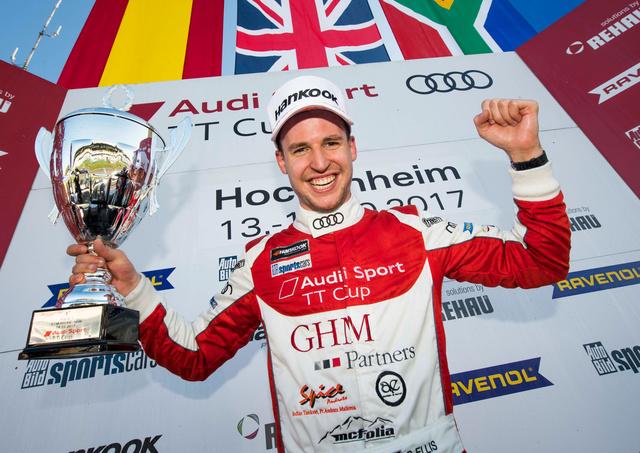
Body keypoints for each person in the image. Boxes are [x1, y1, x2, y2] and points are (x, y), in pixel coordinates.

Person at [68, 75, 570, 452]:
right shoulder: (261, 261)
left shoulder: (416, 233)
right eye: (300, 149)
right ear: (281, 162)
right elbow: (193, 357)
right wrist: (132, 288)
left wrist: (526, 155)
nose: (320, 162)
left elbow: (541, 261)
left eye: (331, 143)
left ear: (352, 148)